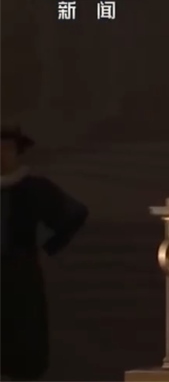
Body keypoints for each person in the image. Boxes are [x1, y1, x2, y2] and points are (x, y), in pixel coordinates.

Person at [1, 125, 89, 381]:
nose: (1, 154)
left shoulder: (33, 188)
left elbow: (74, 215)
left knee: (23, 337)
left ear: (17, 152)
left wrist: (50, 247)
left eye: (6, 148)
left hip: (20, 274)